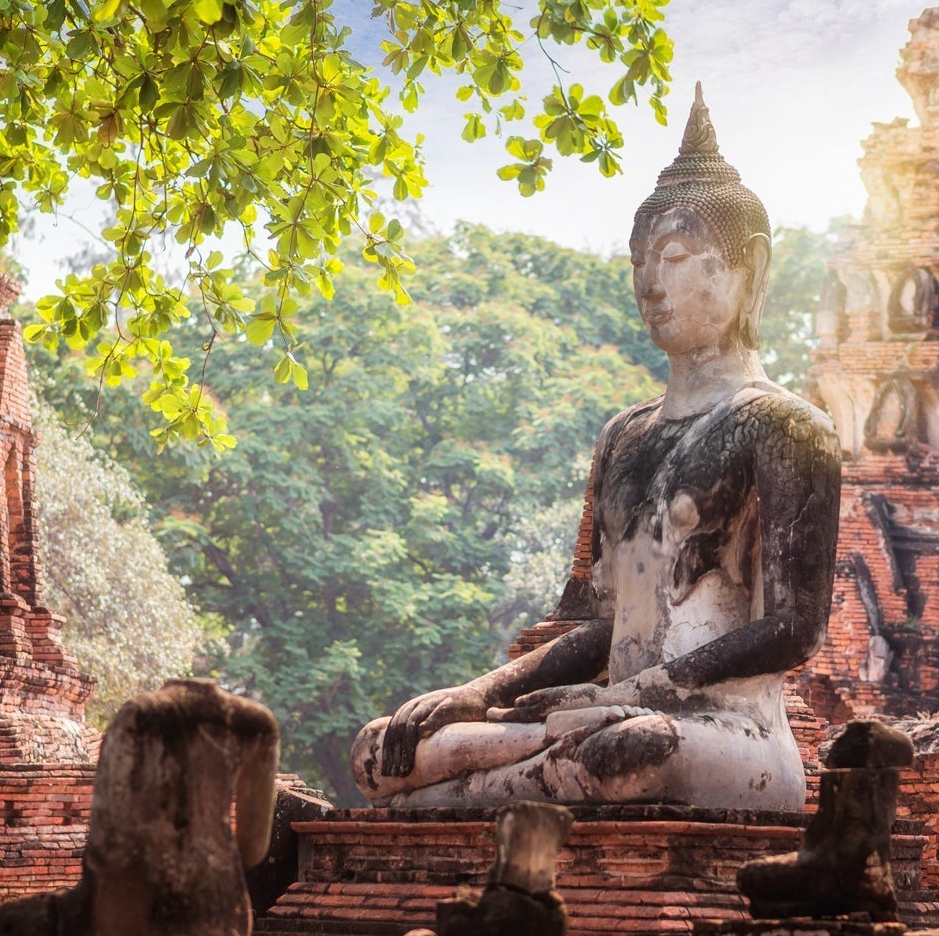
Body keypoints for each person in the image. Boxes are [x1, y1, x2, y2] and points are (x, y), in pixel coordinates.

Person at [351, 86, 841, 810]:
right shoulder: (624, 435)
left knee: (623, 750)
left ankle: (465, 793)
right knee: (378, 746)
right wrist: (476, 692)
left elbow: (793, 630)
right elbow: (601, 624)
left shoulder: (786, 425)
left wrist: (637, 690)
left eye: (676, 255)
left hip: (723, 727)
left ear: (752, 270)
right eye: (638, 258)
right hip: (594, 712)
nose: (649, 282)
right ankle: (498, 781)